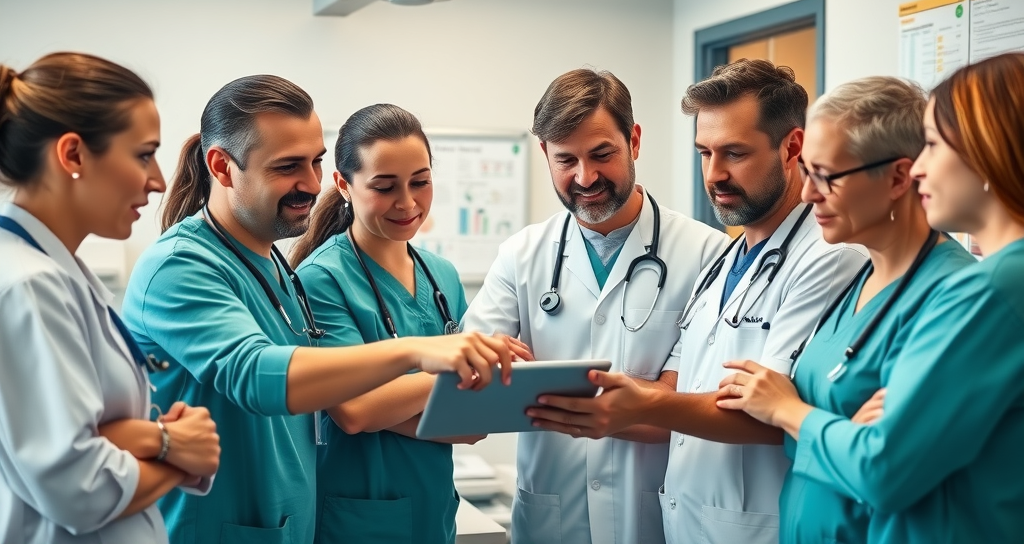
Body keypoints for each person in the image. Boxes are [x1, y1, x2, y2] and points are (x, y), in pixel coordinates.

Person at [122, 76, 513, 544]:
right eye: (288, 166)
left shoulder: (275, 270)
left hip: (290, 528)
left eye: (315, 162)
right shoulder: (179, 267)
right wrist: (417, 353)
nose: (311, 183)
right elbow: (257, 374)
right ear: (222, 167)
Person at [525, 59, 866, 544]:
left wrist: (640, 402)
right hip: (688, 524)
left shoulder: (828, 258)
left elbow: (774, 413)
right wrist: (606, 407)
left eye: (735, 153)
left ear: (792, 147)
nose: (715, 174)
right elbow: (683, 389)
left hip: (759, 527)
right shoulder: (725, 260)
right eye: (704, 152)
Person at [720, 53, 1024, 543]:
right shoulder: (860, 280)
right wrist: (836, 428)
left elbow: (883, 466)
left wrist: (794, 413)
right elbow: (829, 446)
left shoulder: (985, 288)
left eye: (933, 145)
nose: (922, 168)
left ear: (988, 150)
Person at [461, 68, 729, 544]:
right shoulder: (522, 255)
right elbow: (473, 384)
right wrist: (648, 399)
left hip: (656, 519)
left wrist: (540, 391)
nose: (585, 177)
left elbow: (702, 404)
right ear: (544, 152)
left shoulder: (708, 254)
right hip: (551, 518)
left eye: (602, 154)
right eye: (566, 160)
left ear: (635, 141)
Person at [0, 52, 220, 544]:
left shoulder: (55, 270)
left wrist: (139, 437)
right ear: (73, 155)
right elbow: (80, 487)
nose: (159, 180)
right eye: (144, 154)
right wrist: (181, 450)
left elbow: (90, 444)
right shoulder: (28, 285)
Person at [290, 103, 512, 543]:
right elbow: (353, 411)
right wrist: (449, 373)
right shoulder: (321, 279)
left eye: (421, 182)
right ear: (344, 185)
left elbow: (474, 424)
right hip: (359, 517)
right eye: (385, 186)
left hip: (433, 513)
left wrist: (388, 403)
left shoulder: (442, 276)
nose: (408, 203)